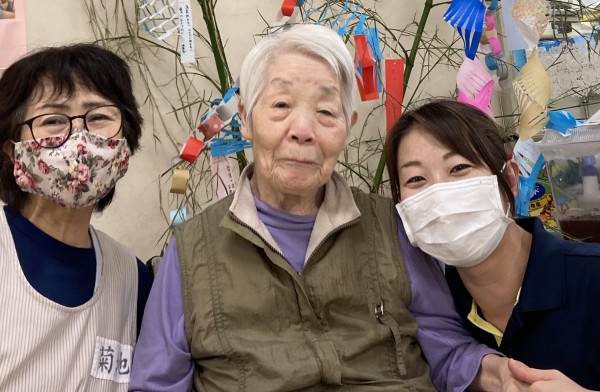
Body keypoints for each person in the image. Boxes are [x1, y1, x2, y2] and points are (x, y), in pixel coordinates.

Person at [130, 24, 517, 392]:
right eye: (281, 105)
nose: (302, 130)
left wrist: (500, 375)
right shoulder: (192, 249)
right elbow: (157, 382)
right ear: (245, 119)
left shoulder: (392, 226)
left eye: (326, 113)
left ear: (347, 126)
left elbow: (447, 351)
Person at [386, 98, 600, 391]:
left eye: (459, 168)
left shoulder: (591, 279)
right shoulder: (437, 319)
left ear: (510, 177)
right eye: (416, 179)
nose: (439, 193)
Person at [0, 43, 153, 391]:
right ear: (11, 150)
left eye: (98, 117)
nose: (80, 139)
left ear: (125, 142)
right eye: (53, 120)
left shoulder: (133, 279)